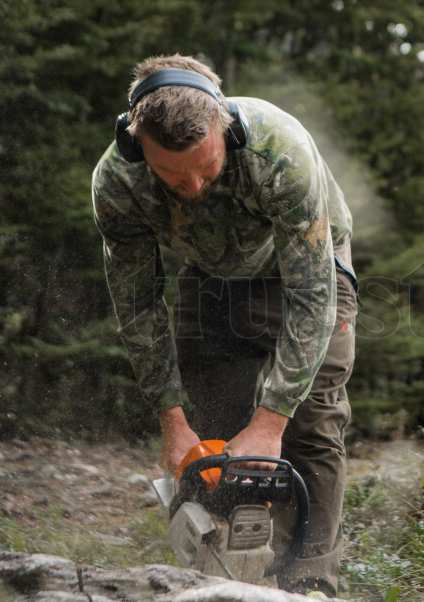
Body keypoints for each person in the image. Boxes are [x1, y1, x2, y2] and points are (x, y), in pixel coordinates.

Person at [91, 54, 357, 597]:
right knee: (211, 421)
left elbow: (311, 296)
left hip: (307, 267)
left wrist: (272, 421)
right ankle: (223, 576)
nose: (191, 185)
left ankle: (309, 585)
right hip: (209, 271)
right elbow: (138, 305)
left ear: (226, 130)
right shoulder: (117, 184)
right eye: (171, 174)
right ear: (136, 148)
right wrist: (172, 419)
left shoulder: (279, 152)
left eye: (206, 168)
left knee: (310, 421)